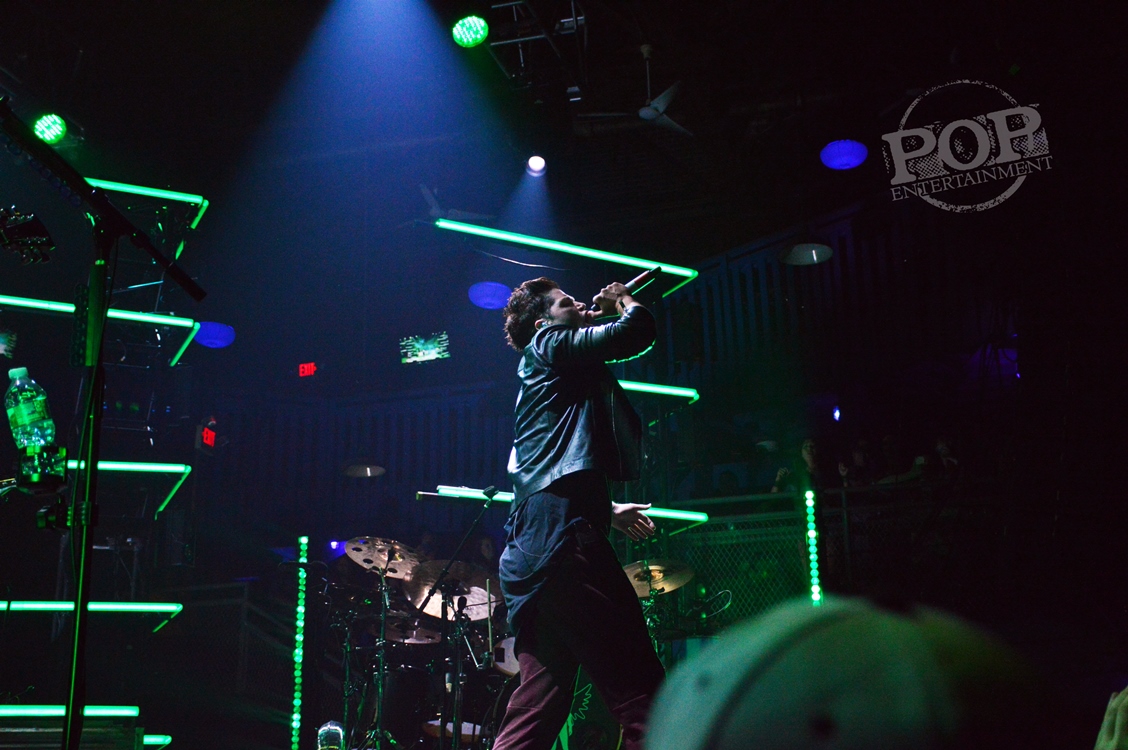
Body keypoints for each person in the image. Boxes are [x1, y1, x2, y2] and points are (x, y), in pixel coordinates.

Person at [492, 277, 665, 750]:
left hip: (533, 551)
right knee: (645, 695)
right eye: (566, 302)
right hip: (565, 544)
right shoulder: (549, 343)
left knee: (537, 708)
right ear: (543, 322)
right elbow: (635, 332)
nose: (580, 304)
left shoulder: (549, 368)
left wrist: (604, 508)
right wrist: (622, 301)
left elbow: (544, 474)